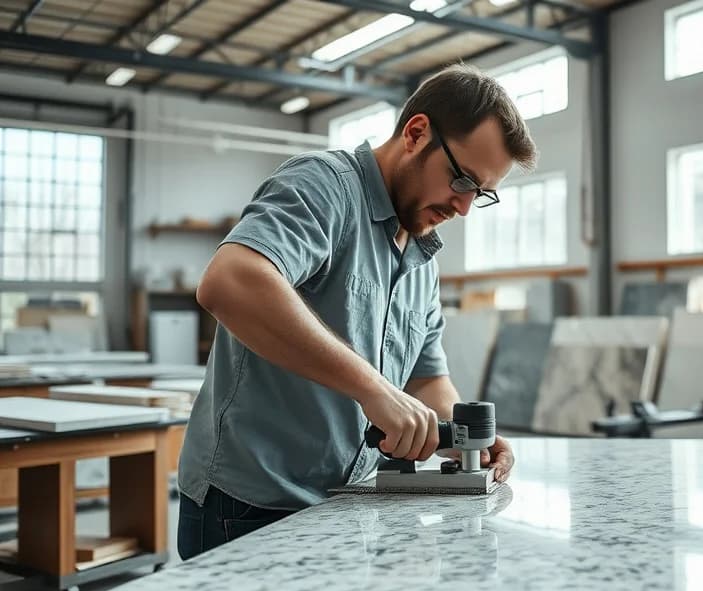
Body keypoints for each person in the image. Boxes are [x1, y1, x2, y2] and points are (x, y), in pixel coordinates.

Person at [176, 64, 535, 560]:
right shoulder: (325, 187)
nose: (465, 206)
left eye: (482, 192)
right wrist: (372, 388)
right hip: (251, 505)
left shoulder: (421, 255)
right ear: (415, 134)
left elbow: (425, 380)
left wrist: (465, 436)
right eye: (461, 180)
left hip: (347, 503)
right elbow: (230, 282)